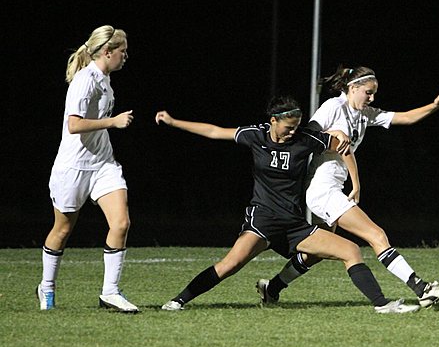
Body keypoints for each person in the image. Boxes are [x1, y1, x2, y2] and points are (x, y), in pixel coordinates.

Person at [155, 97, 419, 314]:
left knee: (351, 250)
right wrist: (173, 121)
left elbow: (342, 145)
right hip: (263, 221)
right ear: (273, 121)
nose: (293, 131)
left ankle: (383, 305)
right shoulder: (255, 135)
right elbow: (214, 131)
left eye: (297, 126)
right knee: (229, 265)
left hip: (293, 224)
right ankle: (178, 300)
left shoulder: (305, 139)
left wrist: (354, 180)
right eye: (288, 127)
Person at [257, 65, 439, 309]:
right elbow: (306, 136)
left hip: (330, 189)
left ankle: (272, 288)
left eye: (373, 94)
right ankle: (421, 288)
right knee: (376, 234)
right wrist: (335, 134)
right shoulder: (333, 107)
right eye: (368, 93)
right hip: (323, 189)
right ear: (353, 88)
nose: (372, 98)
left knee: (315, 253)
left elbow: (404, 117)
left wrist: (434, 106)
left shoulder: (363, 114)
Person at [37, 25, 138, 312]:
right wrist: (113, 122)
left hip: (103, 164)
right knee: (63, 229)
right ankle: (46, 287)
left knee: (121, 223)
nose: (125, 56)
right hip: (73, 167)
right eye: (122, 51)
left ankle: (110, 292)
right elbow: (74, 125)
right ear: (108, 52)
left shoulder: (105, 79)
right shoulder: (85, 81)